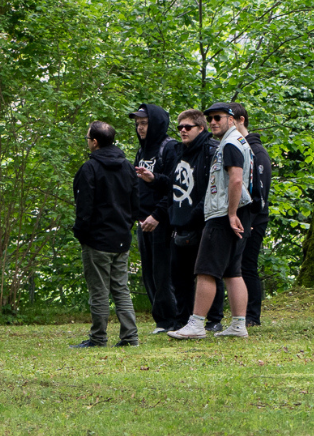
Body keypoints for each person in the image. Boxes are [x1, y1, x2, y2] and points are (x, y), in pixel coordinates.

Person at [169, 102, 253, 339]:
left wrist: (232, 213)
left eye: (218, 117)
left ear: (232, 119)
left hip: (224, 213)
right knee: (232, 271)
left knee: (205, 270)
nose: (214, 122)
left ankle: (196, 324)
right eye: (211, 118)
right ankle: (238, 324)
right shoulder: (238, 142)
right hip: (236, 211)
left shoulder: (229, 144)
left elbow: (236, 180)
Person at [71, 120, 140, 348]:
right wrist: (125, 227)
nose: (87, 142)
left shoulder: (89, 169)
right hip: (120, 238)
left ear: (94, 142)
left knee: (99, 291)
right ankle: (130, 337)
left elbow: (84, 207)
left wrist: (82, 234)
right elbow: (135, 203)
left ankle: (98, 337)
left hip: (97, 240)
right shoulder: (128, 167)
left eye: (87, 138)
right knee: (121, 289)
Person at [157, 110, 217, 331]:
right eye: (180, 127)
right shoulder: (177, 151)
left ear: (201, 128)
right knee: (179, 276)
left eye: (188, 127)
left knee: (206, 272)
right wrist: (154, 179)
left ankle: (213, 320)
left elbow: (212, 189)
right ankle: (182, 319)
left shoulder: (211, 151)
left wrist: (195, 216)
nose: (182, 130)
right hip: (178, 222)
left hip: (202, 222)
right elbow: (175, 185)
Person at [129, 103, 179, 333]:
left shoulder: (169, 149)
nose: (140, 128)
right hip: (143, 220)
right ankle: (161, 319)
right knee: (148, 271)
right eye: (138, 124)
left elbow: (175, 188)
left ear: (156, 123)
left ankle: (172, 318)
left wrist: (157, 215)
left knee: (164, 271)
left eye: (145, 123)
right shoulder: (142, 151)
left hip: (162, 219)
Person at [232, 103, 272, 326]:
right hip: (239, 218)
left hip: (254, 219)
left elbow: (261, 190)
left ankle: (252, 315)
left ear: (240, 120)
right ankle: (241, 312)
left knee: (247, 264)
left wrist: (253, 221)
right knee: (236, 265)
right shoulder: (235, 148)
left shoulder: (257, 152)